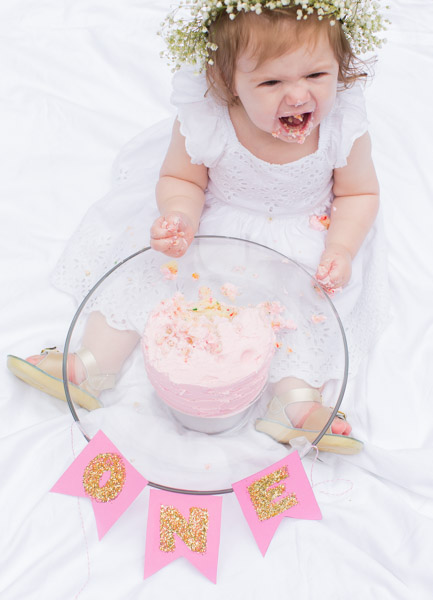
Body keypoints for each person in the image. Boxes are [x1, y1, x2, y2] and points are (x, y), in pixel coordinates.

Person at [7, 0, 389, 453]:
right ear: (226, 81)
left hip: (301, 238)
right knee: (149, 274)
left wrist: (341, 249)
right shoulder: (208, 119)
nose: (298, 96)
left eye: (316, 76)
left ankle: (295, 402)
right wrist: (180, 216)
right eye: (271, 81)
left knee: (305, 309)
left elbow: (358, 194)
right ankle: (94, 362)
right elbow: (182, 178)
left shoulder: (343, 125)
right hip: (212, 221)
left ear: (339, 68)